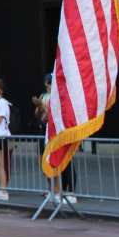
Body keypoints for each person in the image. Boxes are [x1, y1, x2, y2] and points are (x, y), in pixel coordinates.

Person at [32, 75, 76, 204]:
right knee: (46, 160)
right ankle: (53, 189)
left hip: (59, 131)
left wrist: (42, 106)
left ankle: (70, 191)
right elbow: (39, 115)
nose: (51, 85)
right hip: (45, 130)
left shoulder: (61, 95)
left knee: (65, 161)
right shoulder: (43, 96)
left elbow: (55, 115)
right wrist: (39, 106)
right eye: (49, 82)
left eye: (53, 82)